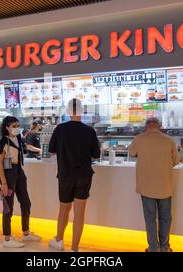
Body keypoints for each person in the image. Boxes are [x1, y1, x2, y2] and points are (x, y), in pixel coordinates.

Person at [48, 99, 101, 252]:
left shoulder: (60, 129)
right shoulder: (89, 131)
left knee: (63, 209)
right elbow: (96, 155)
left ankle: (58, 240)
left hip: (65, 175)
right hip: (84, 175)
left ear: (67, 111)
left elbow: (52, 151)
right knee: (79, 212)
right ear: (82, 111)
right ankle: (74, 248)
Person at [128, 117, 179, 252]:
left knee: (150, 219)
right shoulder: (169, 140)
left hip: (146, 187)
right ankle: (165, 247)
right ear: (160, 126)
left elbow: (131, 153)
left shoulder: (139, 139)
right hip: (165, 186)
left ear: (146, 126)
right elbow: (176, 161)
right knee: (165, 218)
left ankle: (153, 248)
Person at [0, 116, 41, 248]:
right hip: (8, 174)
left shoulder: (19, 138)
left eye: (17, 125)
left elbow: (26, 147)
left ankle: (26, 233)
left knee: (26, 202)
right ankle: (7, 238)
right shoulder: (4, 141)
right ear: (7, 128)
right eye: (14, 126)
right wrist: (3, 183)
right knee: (8, 207)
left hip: (19, 171)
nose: (16, 128)